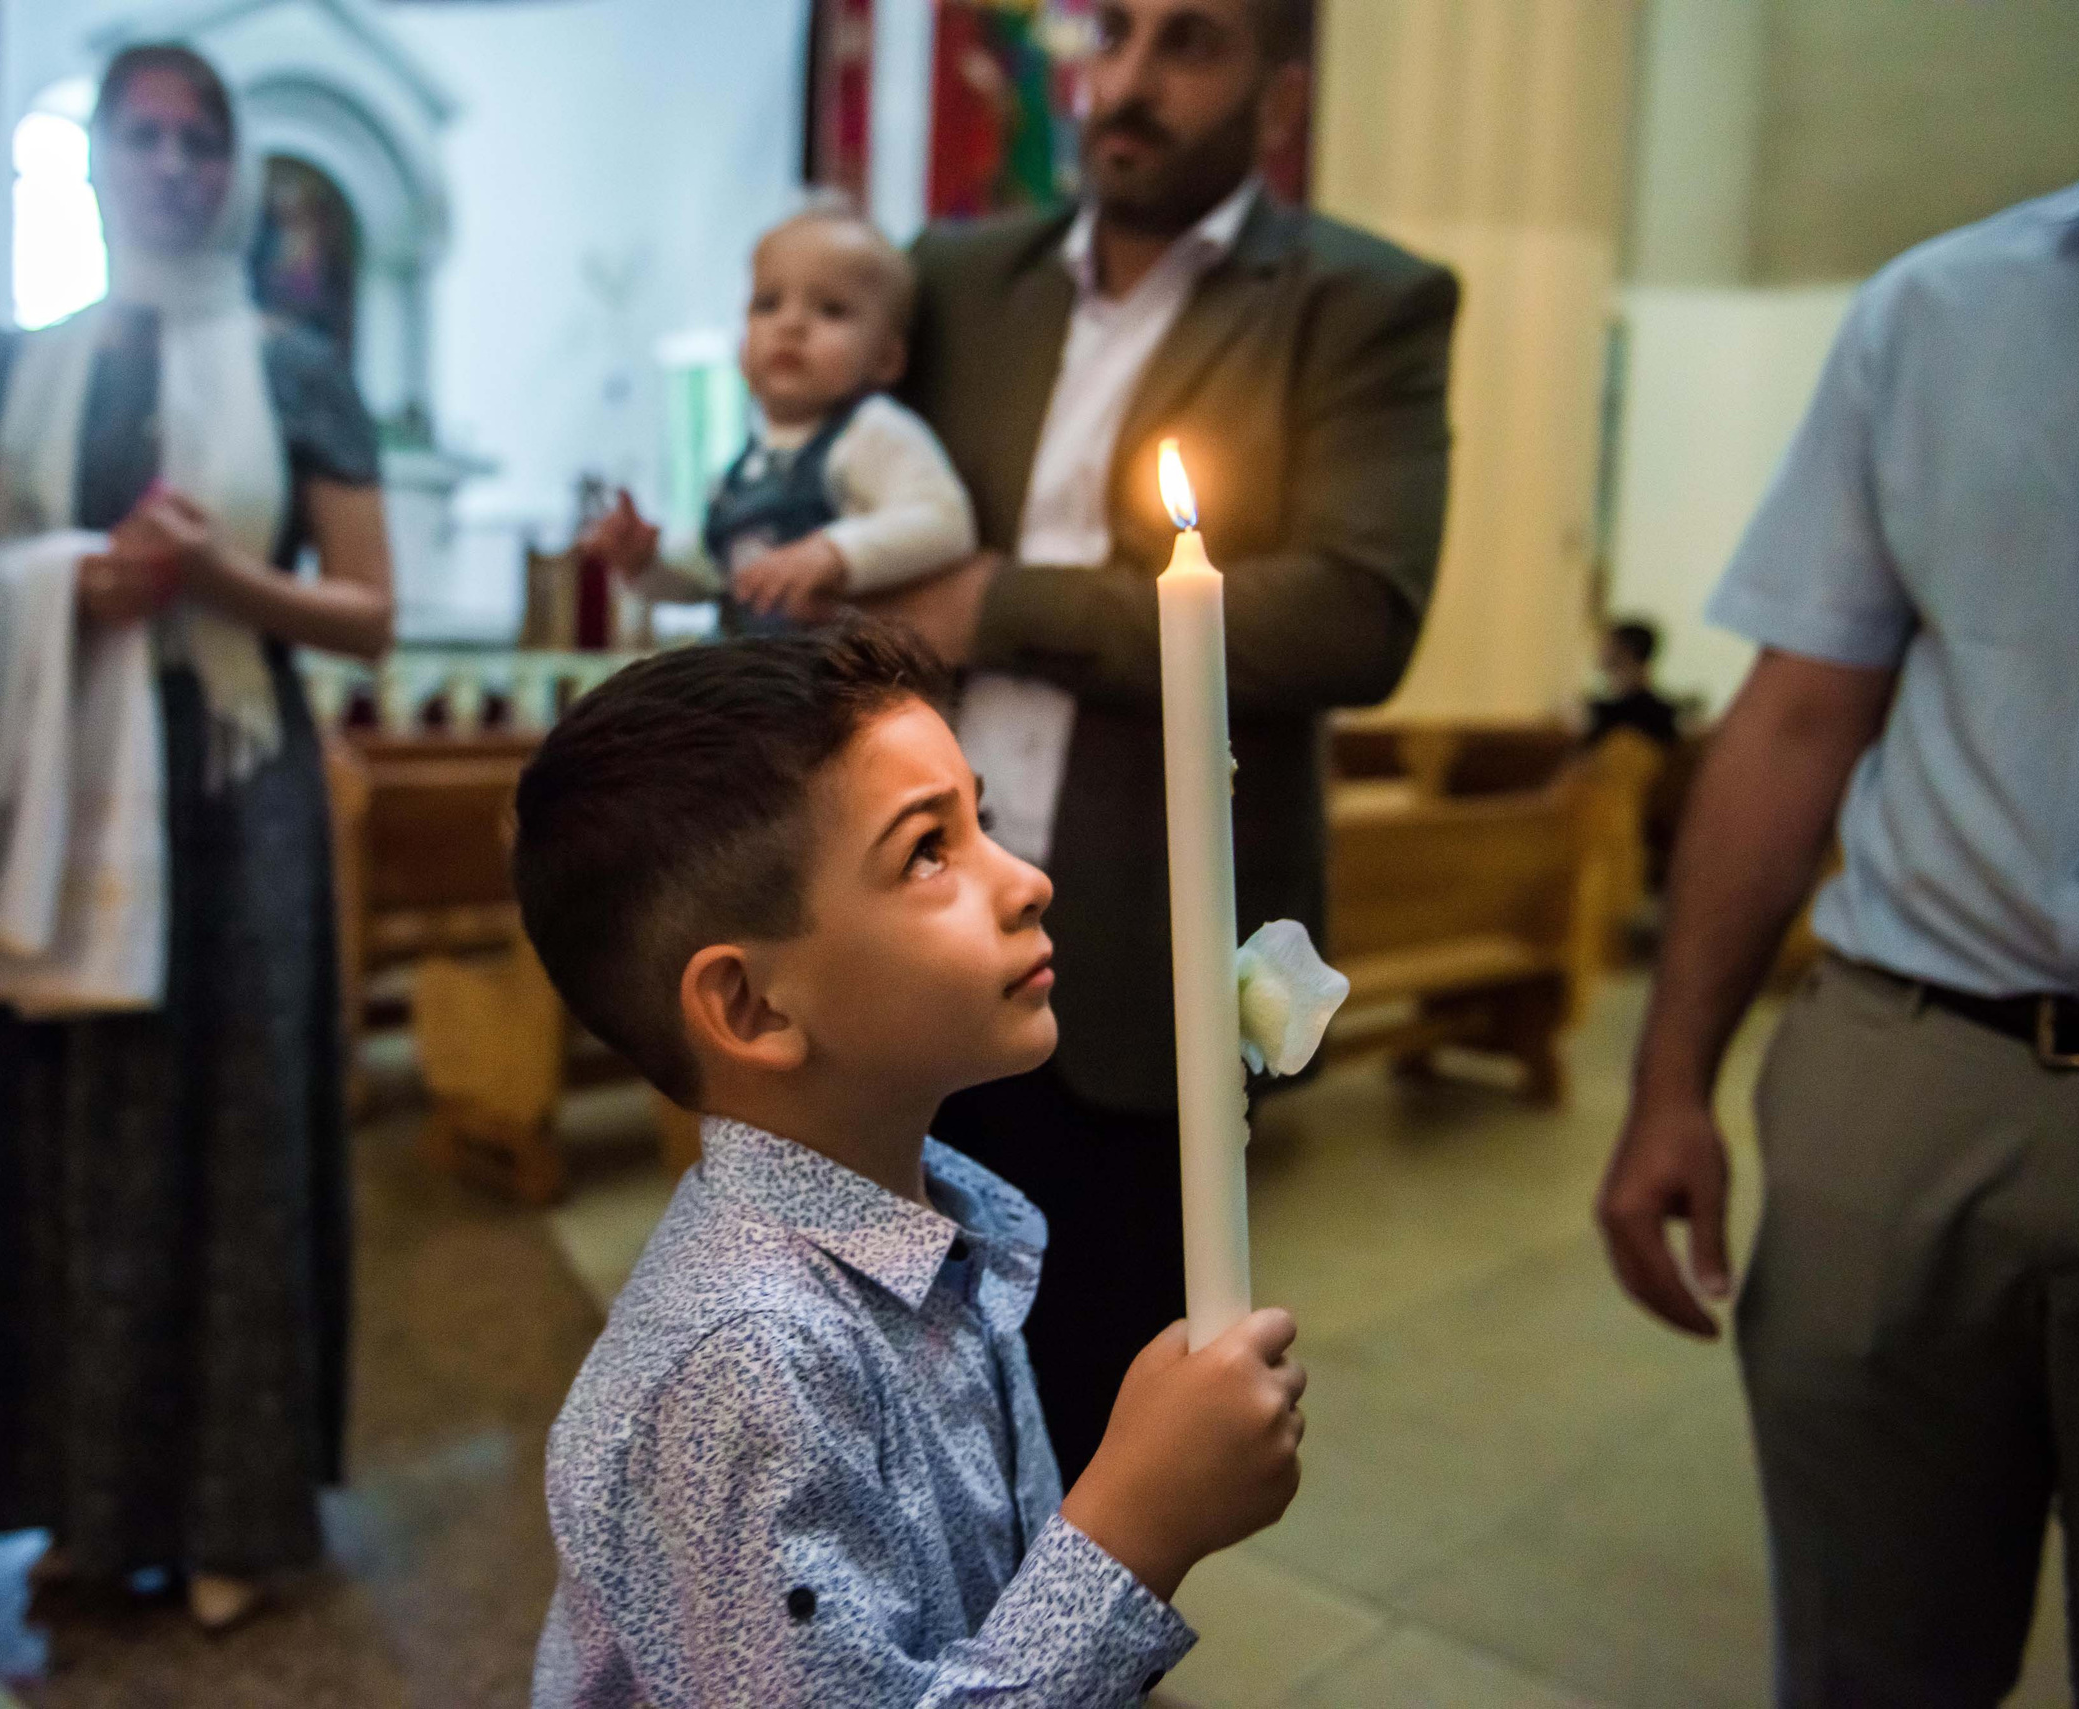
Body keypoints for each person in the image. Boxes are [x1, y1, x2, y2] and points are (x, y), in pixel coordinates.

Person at [1596, 6, 2079, 1700]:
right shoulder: (1949, 309)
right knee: (1865, 1658)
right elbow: (1796, 719)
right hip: (1908, 1080)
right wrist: (1670, 1073)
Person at [516, 623, 1308, 1706]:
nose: (1027, 879)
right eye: (927, 850)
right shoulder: (743, 1367)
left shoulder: (940, 1211)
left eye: (979, 818)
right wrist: (1132, 1531)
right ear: (751, 1005)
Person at [899, 0, 1455, 1477]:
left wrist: (1002, 603)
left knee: (1104, 1417)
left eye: (1189, 42)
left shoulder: (1357, 300)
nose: (1130, 82)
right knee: (907, 1397)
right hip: (910, 920)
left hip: (1141, 964)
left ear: (1278, 95)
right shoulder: (957, 278)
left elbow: (1355, 613)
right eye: (1118, 31)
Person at [0, 41, 393, 1635]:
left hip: (232, 783)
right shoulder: (22, 359)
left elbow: (370, 613)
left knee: (234, 1133)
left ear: (240, 168)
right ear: (103, 158)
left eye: (206, 140)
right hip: (64, 772)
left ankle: (234, 1516)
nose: (178, 165)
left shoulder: (293, 362)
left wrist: (218, 581)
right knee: (65, 1126)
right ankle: (79, 1506)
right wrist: (70, 575)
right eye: (148, 136)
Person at [578, 201, 976, 636]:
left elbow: (945, 522)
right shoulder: (743, 467)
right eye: (768, 304)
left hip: (833, 688)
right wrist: (644, 565)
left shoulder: (872, 432)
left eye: (831, 310)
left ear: (886, 358)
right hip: (750, 687)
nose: (792, 324)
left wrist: (833, 554)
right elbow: (713, 580)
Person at [1584, 619, 1681, 747]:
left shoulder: (1651, 715)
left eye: (1606, 644)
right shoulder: (1662, 713)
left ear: (1625, 651)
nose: (1599, 649)